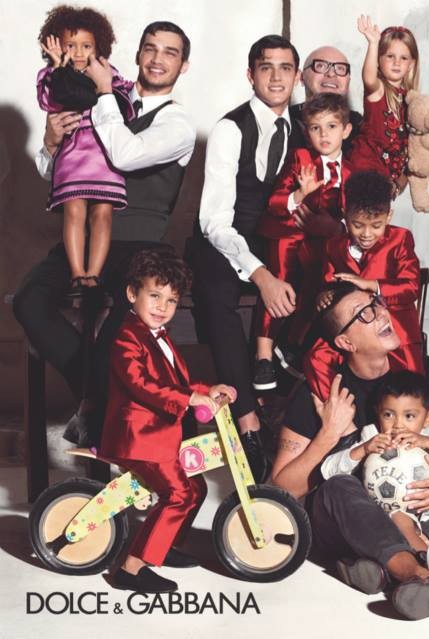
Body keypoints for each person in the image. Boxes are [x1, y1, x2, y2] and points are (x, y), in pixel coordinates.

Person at [14, 21, 196, 446]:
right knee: (28, 301)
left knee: (119, 330)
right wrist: (51, 142)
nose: (157, 58)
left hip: (141, 248)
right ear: (137, 55)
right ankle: (99, 397)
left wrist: (102, 95)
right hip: (81, 242)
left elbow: (124, 155)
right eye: (150, 48)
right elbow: (56, 174)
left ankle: (104, 410)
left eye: (170, 52)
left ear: (183, 66)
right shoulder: (99, 93)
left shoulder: (176, 123)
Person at [271, 283, 429, 620]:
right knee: (337, 488)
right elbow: (282, 489)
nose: (380, 313)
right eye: (363, 314)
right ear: (346, 343)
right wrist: (328, 434)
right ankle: (416, 575)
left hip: (422, 509)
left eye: (375, 304)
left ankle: (377, 568)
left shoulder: (422, 371)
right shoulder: (323, 391)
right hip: (353, 516)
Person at [187, 35, 303, 482]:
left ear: (296, 76)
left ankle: (290, 413)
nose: (276, 77)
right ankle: (248, 419)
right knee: (216, 292)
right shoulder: (229, 128)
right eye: (266, 67)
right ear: (250, 74)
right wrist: (261, 275)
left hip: (274, 240)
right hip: (222, 241)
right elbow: (213, 221)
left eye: (285, 67)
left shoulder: (305, 126)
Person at [101, 249, 236, 593]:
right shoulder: (127, 337)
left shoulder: (159, 336)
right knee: (178, 494)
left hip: (159, 435)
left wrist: (207, 390)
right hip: (138, 437)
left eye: (172, 300)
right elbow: (141, 384)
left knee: (197, 488)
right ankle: (131, 569)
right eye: (154, 296)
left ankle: (162, 547)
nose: (162, 307)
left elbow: (175, 383)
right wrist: (189, 399)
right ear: (132, 293)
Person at [321, 370, 429, 580]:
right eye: (389, 415)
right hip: (396, 514)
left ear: (428, 418)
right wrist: (363, 450)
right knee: (399, 518)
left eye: (409, 416)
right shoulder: (373, 436)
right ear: (378, 413)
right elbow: (328, 471)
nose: (398, 425)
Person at [253, 93, 352, 390]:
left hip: (323, 242)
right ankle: (263, 354)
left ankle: (294, 344)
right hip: (289, 233)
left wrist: (337, 227)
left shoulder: (351, 171)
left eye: (331, 126)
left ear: (346, 130)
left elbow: (354, 218)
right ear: (307, 133)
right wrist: (299, 195)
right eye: (315, 128)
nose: (324, 135)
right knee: (281, 273)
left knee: (326, 278)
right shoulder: (301, 158)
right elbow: (275, 203)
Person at [37, 5, 132, 296]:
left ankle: (94, 274)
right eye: (71, 45)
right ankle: (78, 273)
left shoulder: (108, 74)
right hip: (73, 155)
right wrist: (59, 68)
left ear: (99, 46)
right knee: (74, 210)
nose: (78, 52)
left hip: (104, 156)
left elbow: (124, 103)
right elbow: (53, 102)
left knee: (103, 213)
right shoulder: (53, 76)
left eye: (86, 45)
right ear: (57, 46)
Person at [310, 170, 423, 401]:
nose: (366, 234)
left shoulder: (401, 239)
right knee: (316, 356)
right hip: (353, 331)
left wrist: (371, 284)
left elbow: (411, 287)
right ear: (345, 214)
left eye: (376, 225)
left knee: (413, 391)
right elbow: (328, 281)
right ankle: (339, 415)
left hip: (397, 331)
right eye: (358, 225)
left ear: (389, 216)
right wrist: (324, 295)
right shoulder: (333, 246)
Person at [349, 16, 420, 194]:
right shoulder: (379, 90)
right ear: (378, 61)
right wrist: (373, 44)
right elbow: (369, 78)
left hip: (388, 180)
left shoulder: (411, 101)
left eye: (403, 58)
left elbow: (411, 148)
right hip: (365, 172)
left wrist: (399, 182)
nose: (397, 62)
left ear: (411, 64)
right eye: (390, 56)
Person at [290, 46, 362, 154]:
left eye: (340, 68)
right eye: (320, 66)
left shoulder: (359, 126)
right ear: (301, 77)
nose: (331, 74)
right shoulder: (286, 120)